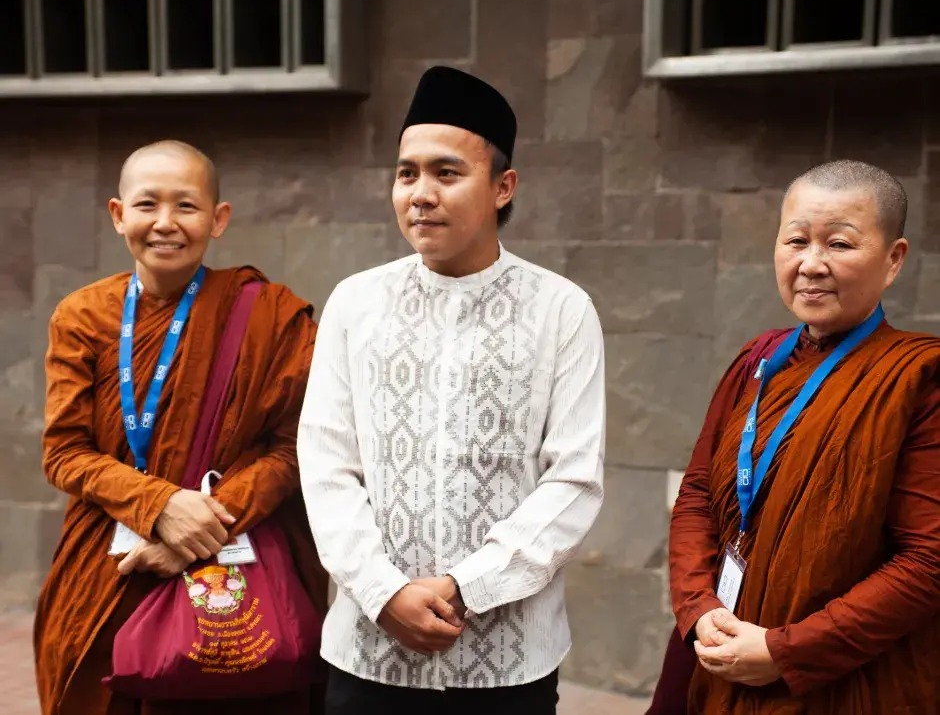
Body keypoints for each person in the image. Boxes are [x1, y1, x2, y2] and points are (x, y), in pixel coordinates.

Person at [297, 65, 606, 715]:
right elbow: (327, 466)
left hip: (508, 664)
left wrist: (467, 586)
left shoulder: (561, 309)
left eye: (446, 173)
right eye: (407, 173)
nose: (420, 193)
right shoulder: (356, 303)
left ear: (503, 186)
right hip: (369, 653)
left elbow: (572, 481)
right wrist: (385, 592)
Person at [33, 140, 328, 715]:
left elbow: (297, 447)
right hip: (109, 570)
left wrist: (202, 530)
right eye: (147, 205)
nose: (165, 223)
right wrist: (161, 506)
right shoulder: (82, 315)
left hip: (235, 565)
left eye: (186, 206)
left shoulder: (268, 315)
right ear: (119, 215)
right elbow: (64, 452)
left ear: (218, 219)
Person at [659, 159, 940, 714]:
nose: (812, 265)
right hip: (721, 651)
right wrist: (697, 608)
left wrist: (787, 651)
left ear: (893, 260)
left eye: (839, 244)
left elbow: (929, 560)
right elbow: (696, 494)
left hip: (843, 679)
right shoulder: (757, 361)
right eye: (796, 241)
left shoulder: (919, 378)